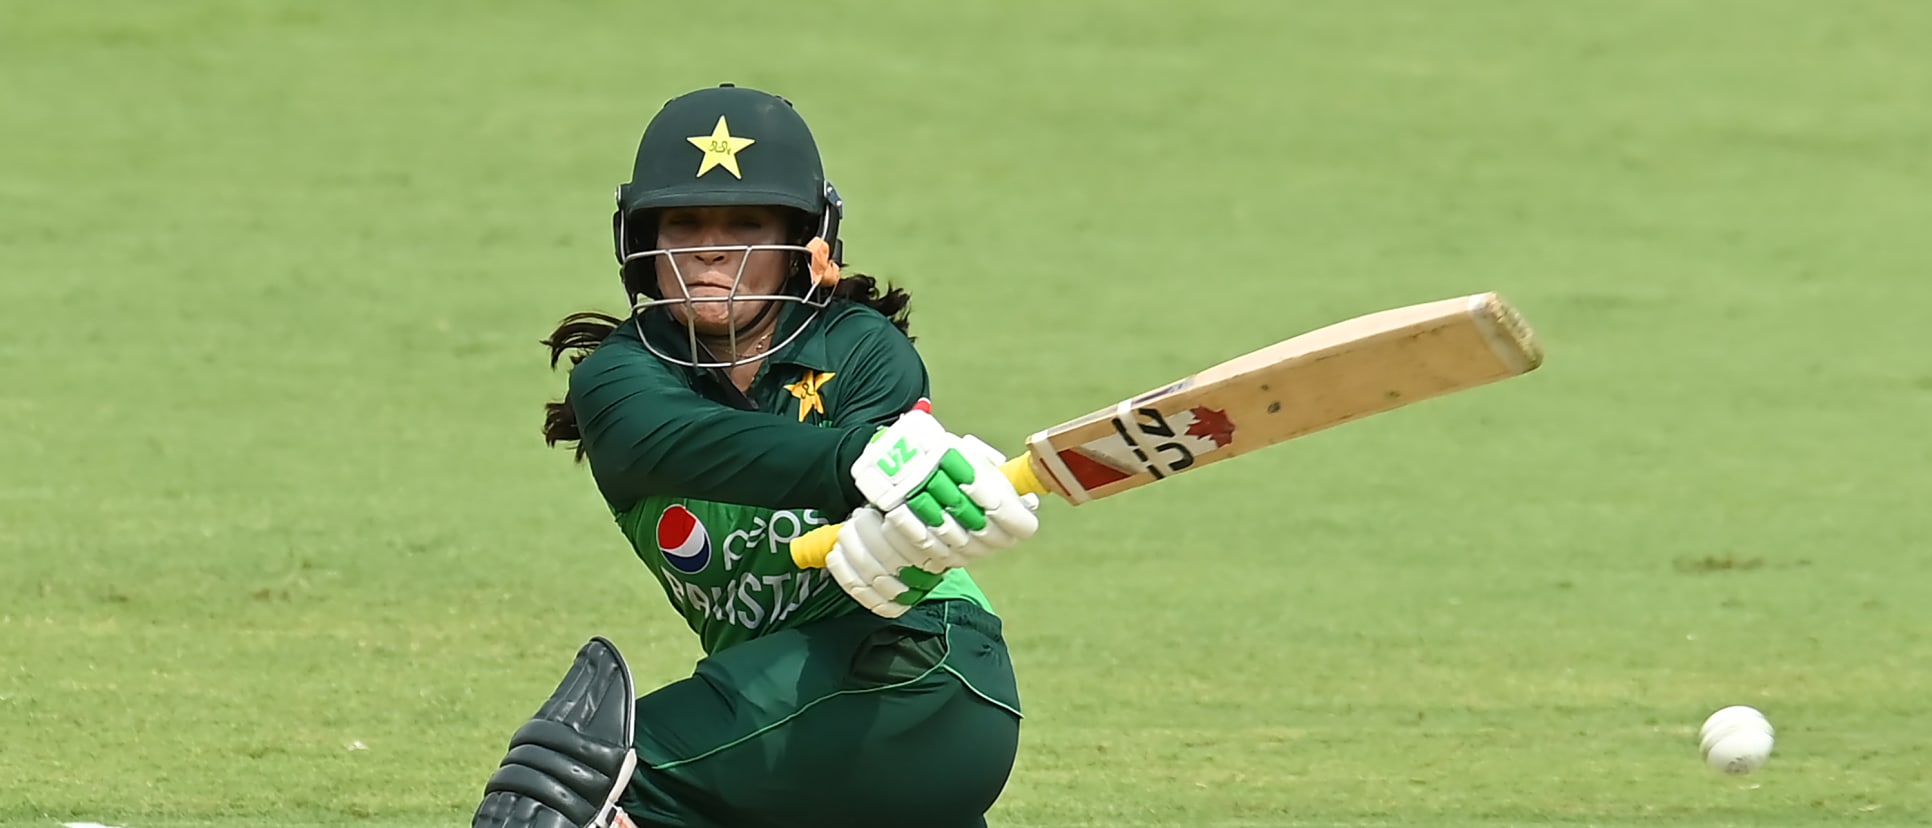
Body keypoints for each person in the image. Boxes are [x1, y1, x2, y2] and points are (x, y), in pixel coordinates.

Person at [471, 84, 1043, 828]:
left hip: (917, 671)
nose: (713, 246)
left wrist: (933, 511)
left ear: (810, 246)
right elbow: (673, 443)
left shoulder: (866, 353)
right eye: (685, 223)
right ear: (645, 245)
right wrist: (863, 461)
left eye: (746, 223)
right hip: (788, 723)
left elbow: (893, 502)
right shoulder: (616, 378)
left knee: (564, 789)